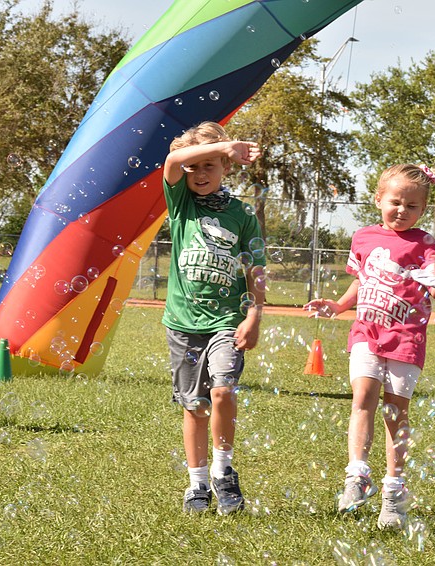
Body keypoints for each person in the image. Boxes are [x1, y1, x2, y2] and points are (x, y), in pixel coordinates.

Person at [305, 163, 435, 529]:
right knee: (362, 397)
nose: (401, 211)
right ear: (379, 199)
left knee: (395, 413)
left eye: (412, 207)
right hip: (367, 331)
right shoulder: (363, 237)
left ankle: (393, 495)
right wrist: (339, 305)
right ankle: (357, 475)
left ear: (422, 210)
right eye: (395, 202)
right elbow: (362, 281)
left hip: (406, 339)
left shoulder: (425, 244)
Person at [161, 121, 265, 514]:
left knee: (222, 391)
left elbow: (255, 269)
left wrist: (254, 314)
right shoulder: (181, 203)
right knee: (195, 406)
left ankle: (223, 473)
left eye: (211, 166)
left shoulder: (241, 214)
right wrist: (222, 148)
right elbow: (173, 160)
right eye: (196, 167)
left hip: (226, 320)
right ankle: (197, 484)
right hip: (183, 324)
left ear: (225, 169)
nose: (201, 174)